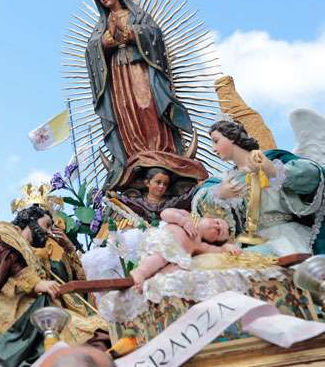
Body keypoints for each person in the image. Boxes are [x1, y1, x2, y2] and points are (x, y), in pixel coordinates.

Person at [83, 0, 207, 191]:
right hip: (118, 74)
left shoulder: (137, 15)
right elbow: (92, 49)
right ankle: (134, 154)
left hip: (139, 67)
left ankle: (160, 151)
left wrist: (133, 33)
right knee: (125, 110)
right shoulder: (102, 25)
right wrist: (104, 43)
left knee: (146, 105)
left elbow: (155, 34)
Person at [0, 199, 108, 366]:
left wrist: (68, 248)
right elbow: (0, 254)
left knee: (100, 334)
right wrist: (35, 284)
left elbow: (63, 279)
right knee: (95, 336)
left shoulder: (33, 255)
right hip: (15, 316)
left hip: (38, 312)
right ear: (31, 219)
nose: (49, 232)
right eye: (47, 225)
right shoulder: (4, 230)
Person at [193, 119, 325, 256]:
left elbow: (313, 177)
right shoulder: (224, 179)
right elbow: (202, 202)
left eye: (216, 141)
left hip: (285, 236)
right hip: (249, 242)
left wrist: (274, 171)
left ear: (231, 137)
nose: (213, 149)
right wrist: (219, 193)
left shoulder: (274, 159)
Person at [129, 208, 239, 290]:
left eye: (219, 232)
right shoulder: (188, 217)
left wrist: (226, 247)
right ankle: (141, 272)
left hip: (176, 258)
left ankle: (152, 283)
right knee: (160, 257)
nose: (216, 226)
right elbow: (165, 213)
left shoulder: (201, 245)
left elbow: (218, 250)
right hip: (165, 243)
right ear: (207, 217)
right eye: (217, 222)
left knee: (180, 269)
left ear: (212, 240)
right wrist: (182, 221)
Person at [115, 167, 196, 223]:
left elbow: (187, 197)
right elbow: (121, 200)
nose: (161, 186)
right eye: (158, 182)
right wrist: (114, 195)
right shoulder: (137, 201)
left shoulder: (171, 202)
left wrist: (198, 186)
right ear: (147, 183)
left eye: (165, 184)